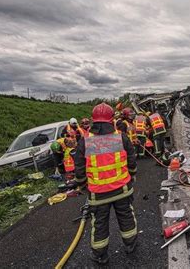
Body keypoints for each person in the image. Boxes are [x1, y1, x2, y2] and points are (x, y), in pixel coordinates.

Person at [74, 103, 137, 264]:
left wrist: (82, 186)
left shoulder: (85, 141)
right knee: (126, 217)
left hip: (98, 194)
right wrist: (132, 176)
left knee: (100, 224)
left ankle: (100, 254)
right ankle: (131, 245)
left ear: (94, 119)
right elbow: (131, 159)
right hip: (122, 189)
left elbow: (79, 168)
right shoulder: (121, 137)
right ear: (111, 119)